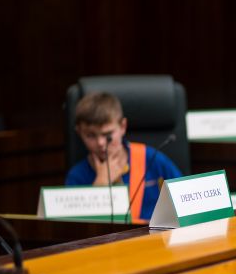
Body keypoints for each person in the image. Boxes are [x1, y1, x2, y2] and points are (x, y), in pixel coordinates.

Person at [66, 91, 182, 222]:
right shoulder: (77, 176)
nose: (100, 143)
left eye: (107, 134)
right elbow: (77, 229)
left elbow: (184, 202)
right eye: (91, 136)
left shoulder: (153, 160)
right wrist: (101, 184)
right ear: (79, 132)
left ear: (122, 126)